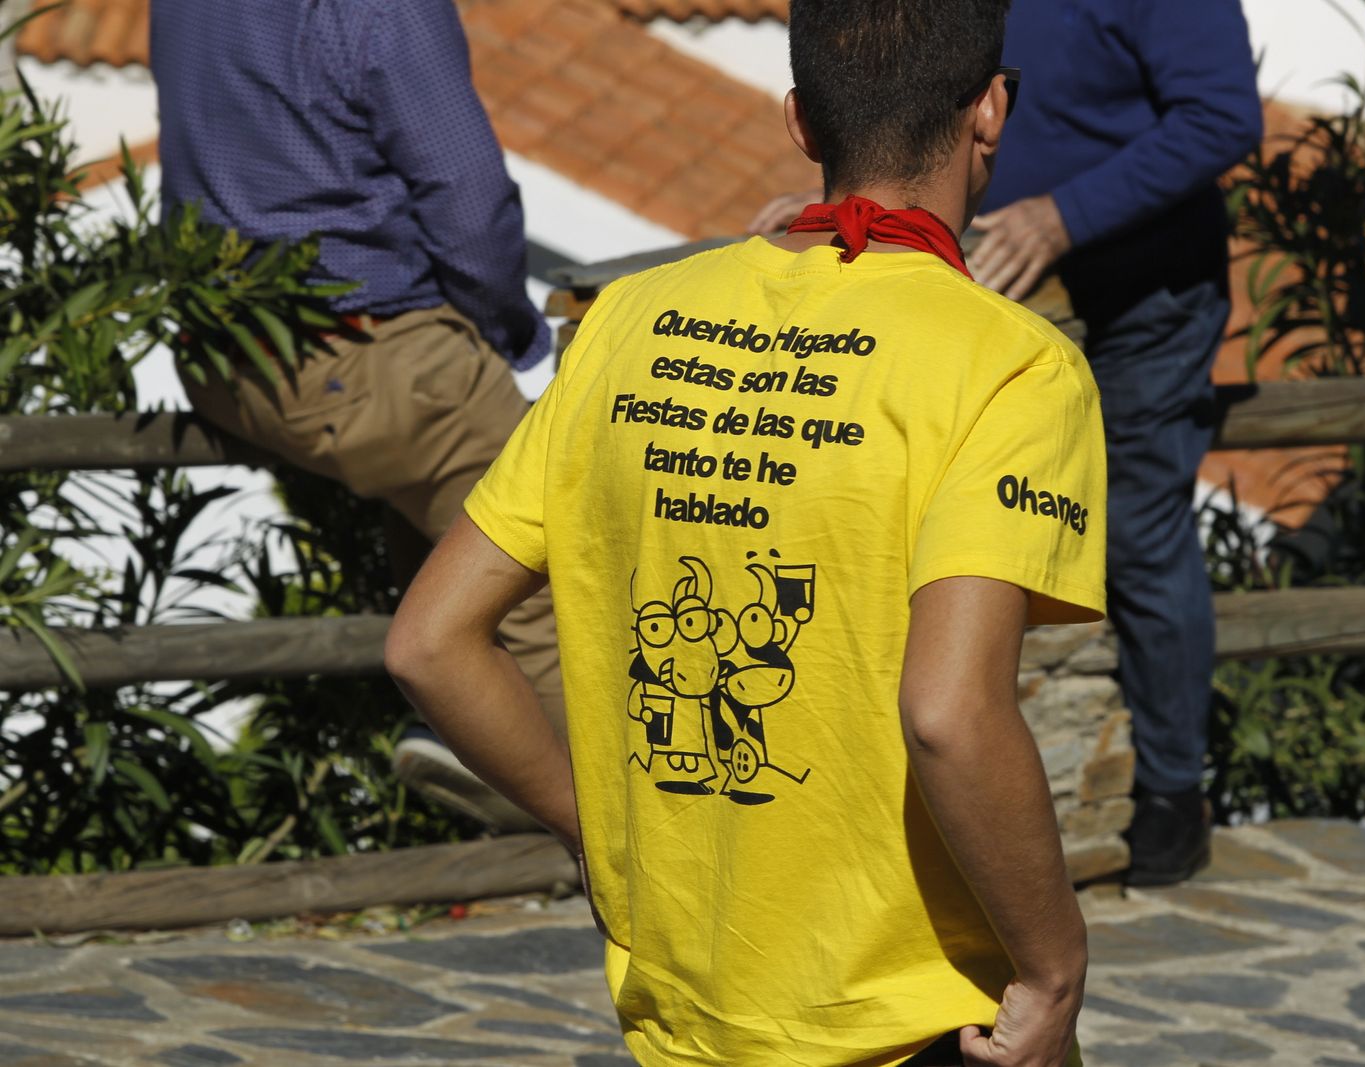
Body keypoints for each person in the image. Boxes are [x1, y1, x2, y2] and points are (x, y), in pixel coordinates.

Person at [385, 0, 1106, 1061]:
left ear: (799, 123)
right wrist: (1053, 967)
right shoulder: (1011, 364)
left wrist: (602, 831)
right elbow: (949, 709)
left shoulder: (627, 321)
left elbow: (428, 641)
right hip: (917, 1019)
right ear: (989, 109)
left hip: (687, 1009)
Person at [752, 0, 1261, 887]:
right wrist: (858, 200)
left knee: (1136, 529)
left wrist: (1062, 219)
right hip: (986, 276)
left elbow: (1222, 116)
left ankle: (1175, 794)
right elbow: (903, 92)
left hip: (1147, 294)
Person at [148, 0, 560, 831]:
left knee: (450, 518)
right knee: (557, 568)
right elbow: (467, 195)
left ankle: (457, 728)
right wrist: (510, 331)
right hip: (358, 346)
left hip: (230, 353)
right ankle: (614, 844)